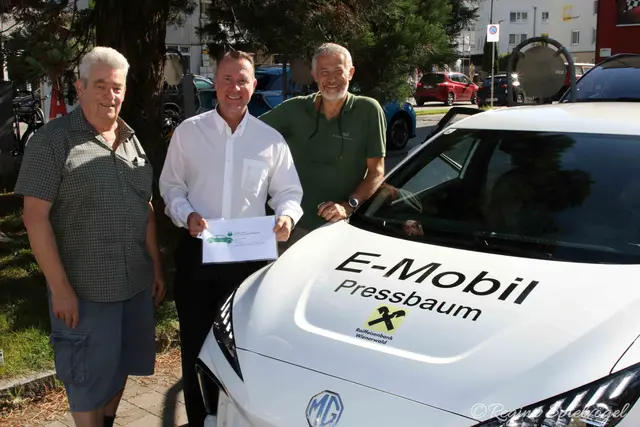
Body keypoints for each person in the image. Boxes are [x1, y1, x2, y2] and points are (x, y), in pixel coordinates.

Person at [13, 46, 165, 427]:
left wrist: (156, 267)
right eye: (100, 85)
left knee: (121, 367)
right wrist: (60, 288)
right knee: (85, 380)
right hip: (86, 292)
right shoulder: (52, 142)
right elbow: (34, 219)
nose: (110, 95)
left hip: (134, 285)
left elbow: (145, 207)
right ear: (80, 88)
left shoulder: (131, 139)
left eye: (117, 87)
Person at [159, 51, 303, 426]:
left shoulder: (269, 140)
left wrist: (286, 216)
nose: (234, 88)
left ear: (253, 85)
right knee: (196, 346)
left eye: (242, 80)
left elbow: (289, 191)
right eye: (227, 79)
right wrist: (185, 214)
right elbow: (171, 186)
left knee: (244, 349)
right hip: (199, 253)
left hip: (250, 260)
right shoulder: (189, 132)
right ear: (215, 82)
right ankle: (199, 419)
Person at [259, 42, 387, 249]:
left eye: (338, 71)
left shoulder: (368, 110)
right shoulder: (293, 109)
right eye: (324, 72)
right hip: (288, 226)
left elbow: (376, 172)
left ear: (351, 73)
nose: (331, 79)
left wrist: (348, 205)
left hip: (338, 227)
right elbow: (248, 133)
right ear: (314, 75)